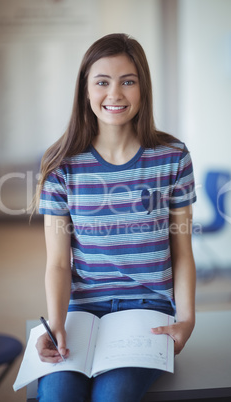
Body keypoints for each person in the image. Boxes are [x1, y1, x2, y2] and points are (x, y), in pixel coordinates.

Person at [35, 33, 197, 402]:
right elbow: (59, 262)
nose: (115, 94)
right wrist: (56, 323)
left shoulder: (173, 157)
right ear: (85, 91)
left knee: (113, 397)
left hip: (148, 308)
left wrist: (186, 319)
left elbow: (182, 251)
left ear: (143, 88)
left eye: (128, 81)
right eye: (102, 82)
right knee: (58, 395)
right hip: (84, 309)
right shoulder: (61, 165)